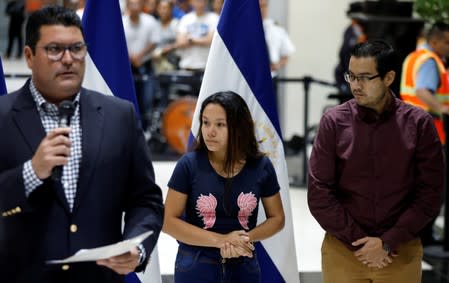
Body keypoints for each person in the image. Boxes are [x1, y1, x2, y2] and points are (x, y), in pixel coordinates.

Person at [0, 6, 164, 283]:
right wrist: (31, 172)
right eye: (54, 49)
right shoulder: (3, 116)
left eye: (77, 48)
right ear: (29, 56)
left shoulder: (119, 115)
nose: (68, 59)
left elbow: (145, 200)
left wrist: (137, 247)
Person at [308, 40, 444, 283]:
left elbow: (431, 193)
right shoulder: (334, 122)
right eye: (352, 76)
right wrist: (362, 243)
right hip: (344, 251)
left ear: (388, 77)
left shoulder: (419, 124)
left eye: (365, 77)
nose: (356, 86)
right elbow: (319, 193)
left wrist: (388, 242)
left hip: (400, 251)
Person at [163, 91, 285, 282]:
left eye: (220, 124)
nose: (210, 131)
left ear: (239, 128)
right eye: (205, 122)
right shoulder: (188, 164)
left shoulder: (261, 166)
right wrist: (221, 240)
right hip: (196, 265)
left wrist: (245, 239)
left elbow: (277, 218)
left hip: (243, 263)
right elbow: (168, 221)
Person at [400, 22, 449, 144]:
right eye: (447, 43)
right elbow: (422, 92)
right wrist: (443, 109)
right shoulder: (430, 61)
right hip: (430, 128)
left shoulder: (413, 56)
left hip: (410, 125)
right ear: (434, 42)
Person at [123, 0, 161, 130]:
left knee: (146, 100)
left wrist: (140, 55)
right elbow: (117, 42)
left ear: (142, 5)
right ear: (127, 6)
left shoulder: (150, 21)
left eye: (137, 3)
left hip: (146, 65)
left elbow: (155, 41)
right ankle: (128, 129)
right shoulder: (121, 21)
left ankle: (145, 130)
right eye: (132, 3)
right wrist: (130, 57)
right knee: (127, 100)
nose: (134, 6)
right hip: (127, 67)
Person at [259, 0, 295, 77]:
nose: (261, 9)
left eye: (263, 6)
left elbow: (286, 54)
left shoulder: (277, 29)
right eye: (258, 7)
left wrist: (277, 65)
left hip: (271, 76)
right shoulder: (245, 30)